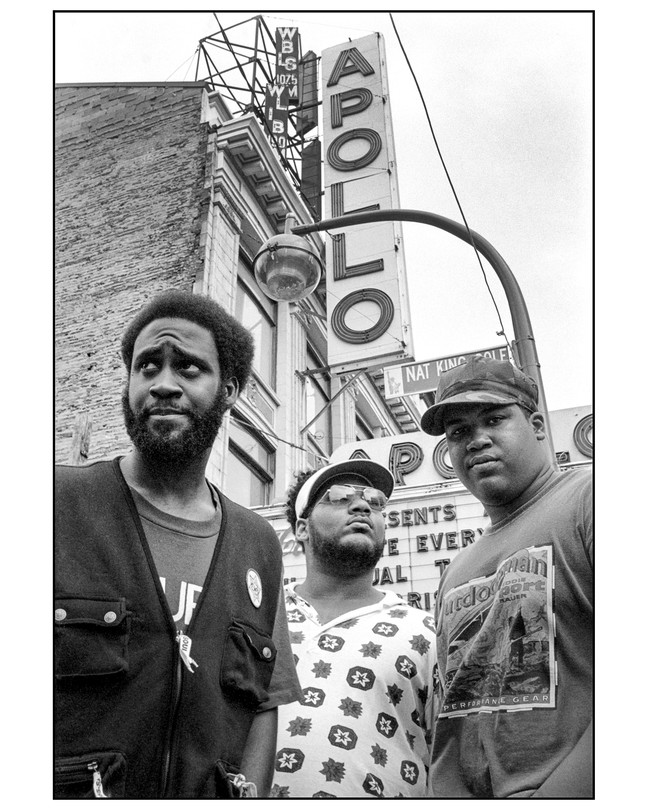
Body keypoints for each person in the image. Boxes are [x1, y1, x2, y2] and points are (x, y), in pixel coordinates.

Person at [54, 289, 301, 798]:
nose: (163, 384)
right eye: (147, 366)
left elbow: (263, 705)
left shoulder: (258, 546)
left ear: (229, 390)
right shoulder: (55, 504)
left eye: (188, 368)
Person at [420, 354, 592, 798]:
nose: (476, 441)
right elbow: (454, 714)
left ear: (537, 426)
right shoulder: (454, 571)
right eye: (458, 433)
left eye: (494, 419)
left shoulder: (590, 497)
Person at [271, 460, 437, 799]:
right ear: (302, 529)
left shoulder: (426, 631)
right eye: (338, 496)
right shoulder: (260, 619)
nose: (361, 505)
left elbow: (454, 756)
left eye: (374, 500)